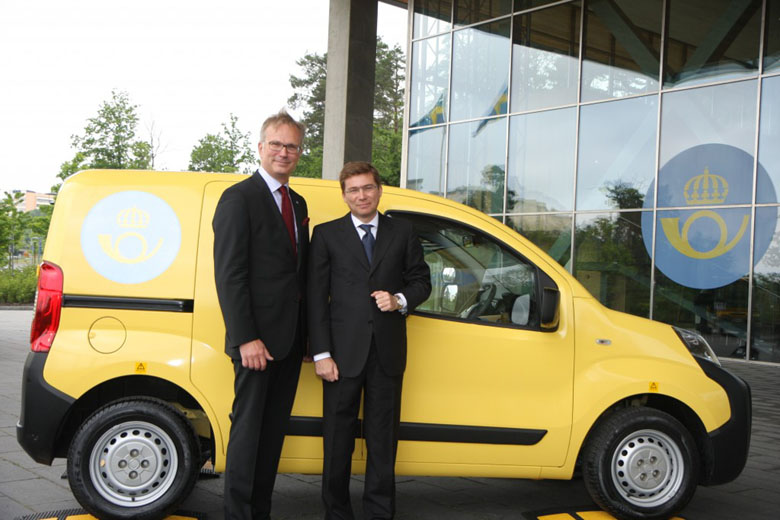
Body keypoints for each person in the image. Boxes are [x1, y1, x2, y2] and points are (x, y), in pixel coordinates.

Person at [308, 161, 431, 520]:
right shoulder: (327, 235)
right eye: (353, 190)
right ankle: (337, 513)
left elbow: (421, 281)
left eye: (367, 188)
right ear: (344, 194)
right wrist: (321, 353)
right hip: (340, 357)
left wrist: (400, 300)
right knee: (337, 442)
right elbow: (316, 298)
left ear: (379, 189)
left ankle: (379, 513)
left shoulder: (403, 232)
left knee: (382, 442)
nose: (361, 195)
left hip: (387, 354)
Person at [213, 109, 309, 520]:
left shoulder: (298, 201)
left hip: (288, 343)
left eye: (291, 146)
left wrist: (306, 339)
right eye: (276, 144)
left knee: (272, 437)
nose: (283, 152)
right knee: (248, 433)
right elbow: (229, 275)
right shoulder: (239, 198)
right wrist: (245, 337)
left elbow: (296, 277)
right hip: (255, 343)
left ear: (298, 153)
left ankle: (260, 513)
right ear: (260, 147)